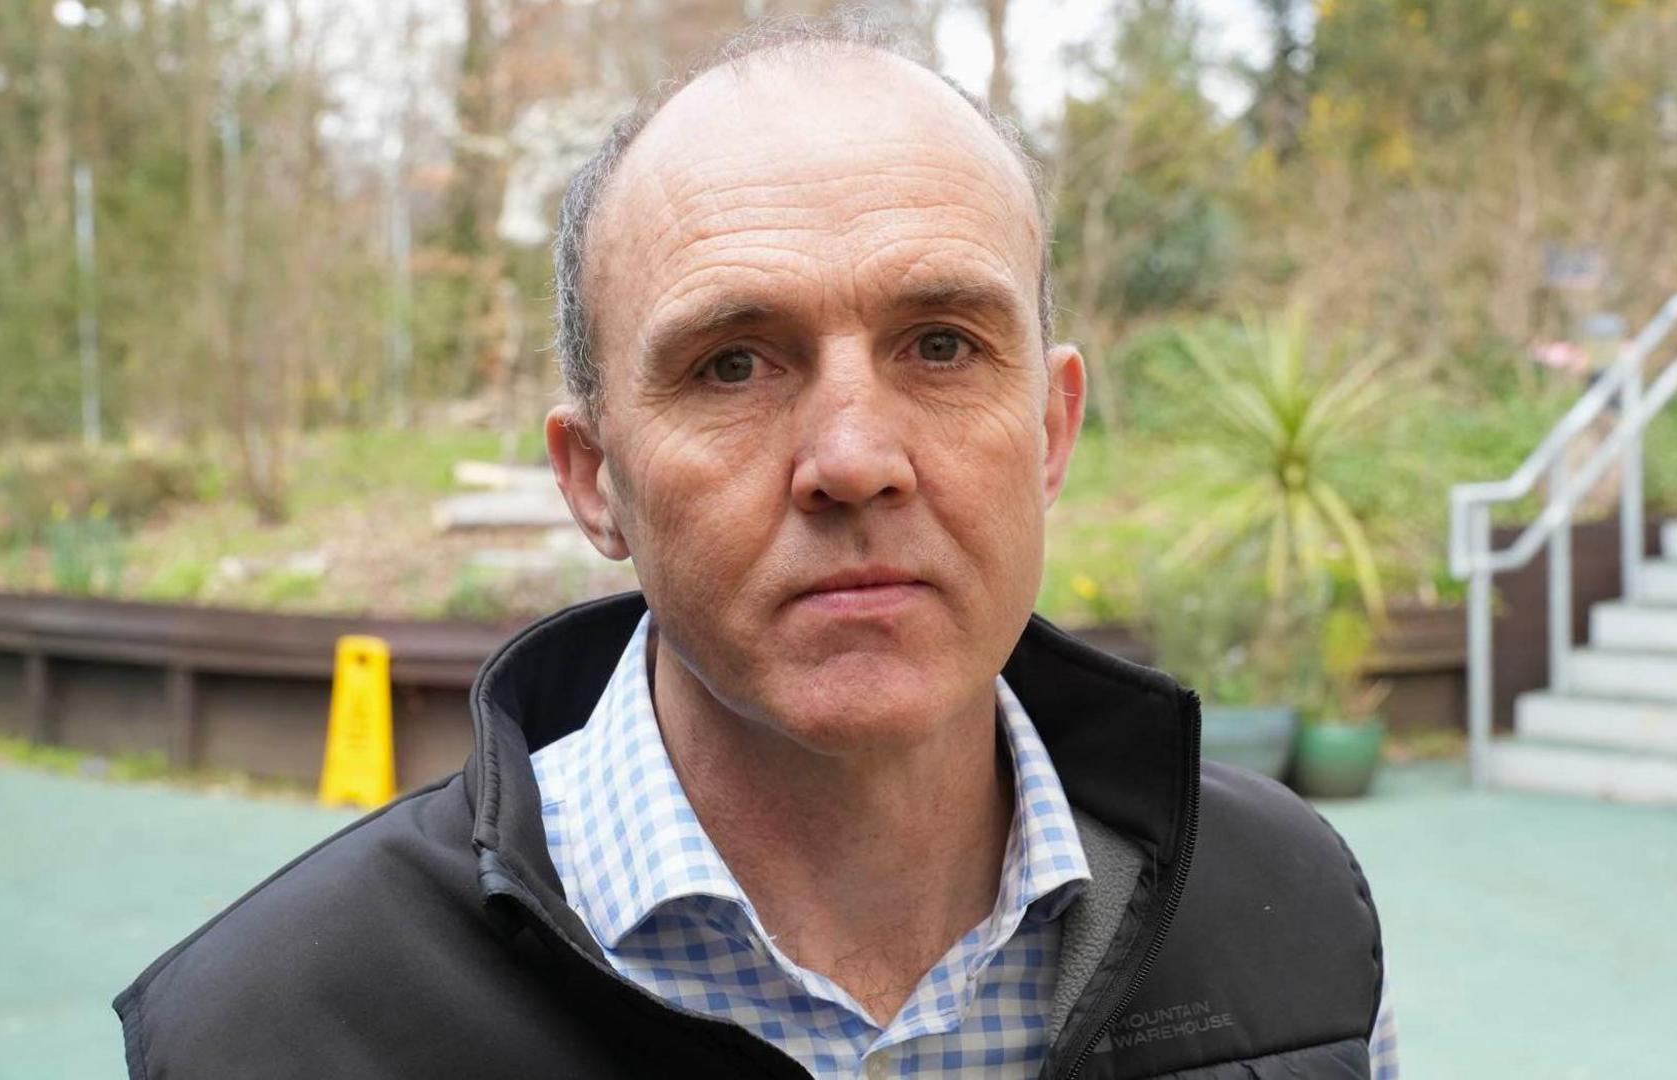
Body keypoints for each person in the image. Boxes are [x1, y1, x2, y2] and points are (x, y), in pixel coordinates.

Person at [115, 15, 1392, 1080]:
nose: (854, 457)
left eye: (941, 344)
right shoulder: (280, 1034)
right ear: (595, 479)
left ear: (1050, 430)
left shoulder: (1289, 924)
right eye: (733, 362)